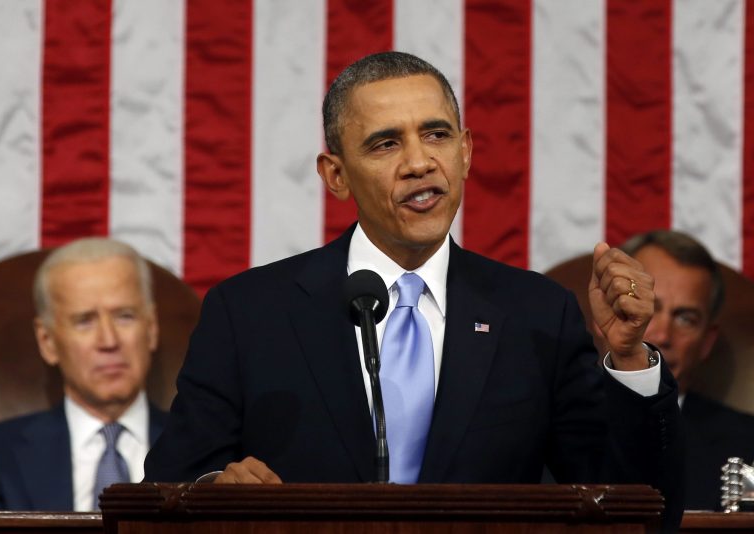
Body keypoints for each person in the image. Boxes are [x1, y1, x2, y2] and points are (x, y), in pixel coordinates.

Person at [144, 52, 683, 529]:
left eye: (437, 134)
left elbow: (633, 511)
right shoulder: (249, 313)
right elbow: (167, 489)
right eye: (385, 143)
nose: (420, 161)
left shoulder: (537, 314)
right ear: (336, 176)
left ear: (466, 152)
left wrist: (630, 357)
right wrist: (217, 491)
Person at [0, 238, 168, 511]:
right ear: (47, 341)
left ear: (151, 328)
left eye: (124, 316)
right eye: (84, 320)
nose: (108, 340)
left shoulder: (207, 451)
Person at [621, 229, 754, 511]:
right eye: (648, 308)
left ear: (706, 342)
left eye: (685, 318)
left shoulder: (748, 448)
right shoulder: (551, 427)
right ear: (607, 316)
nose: (663, 335)